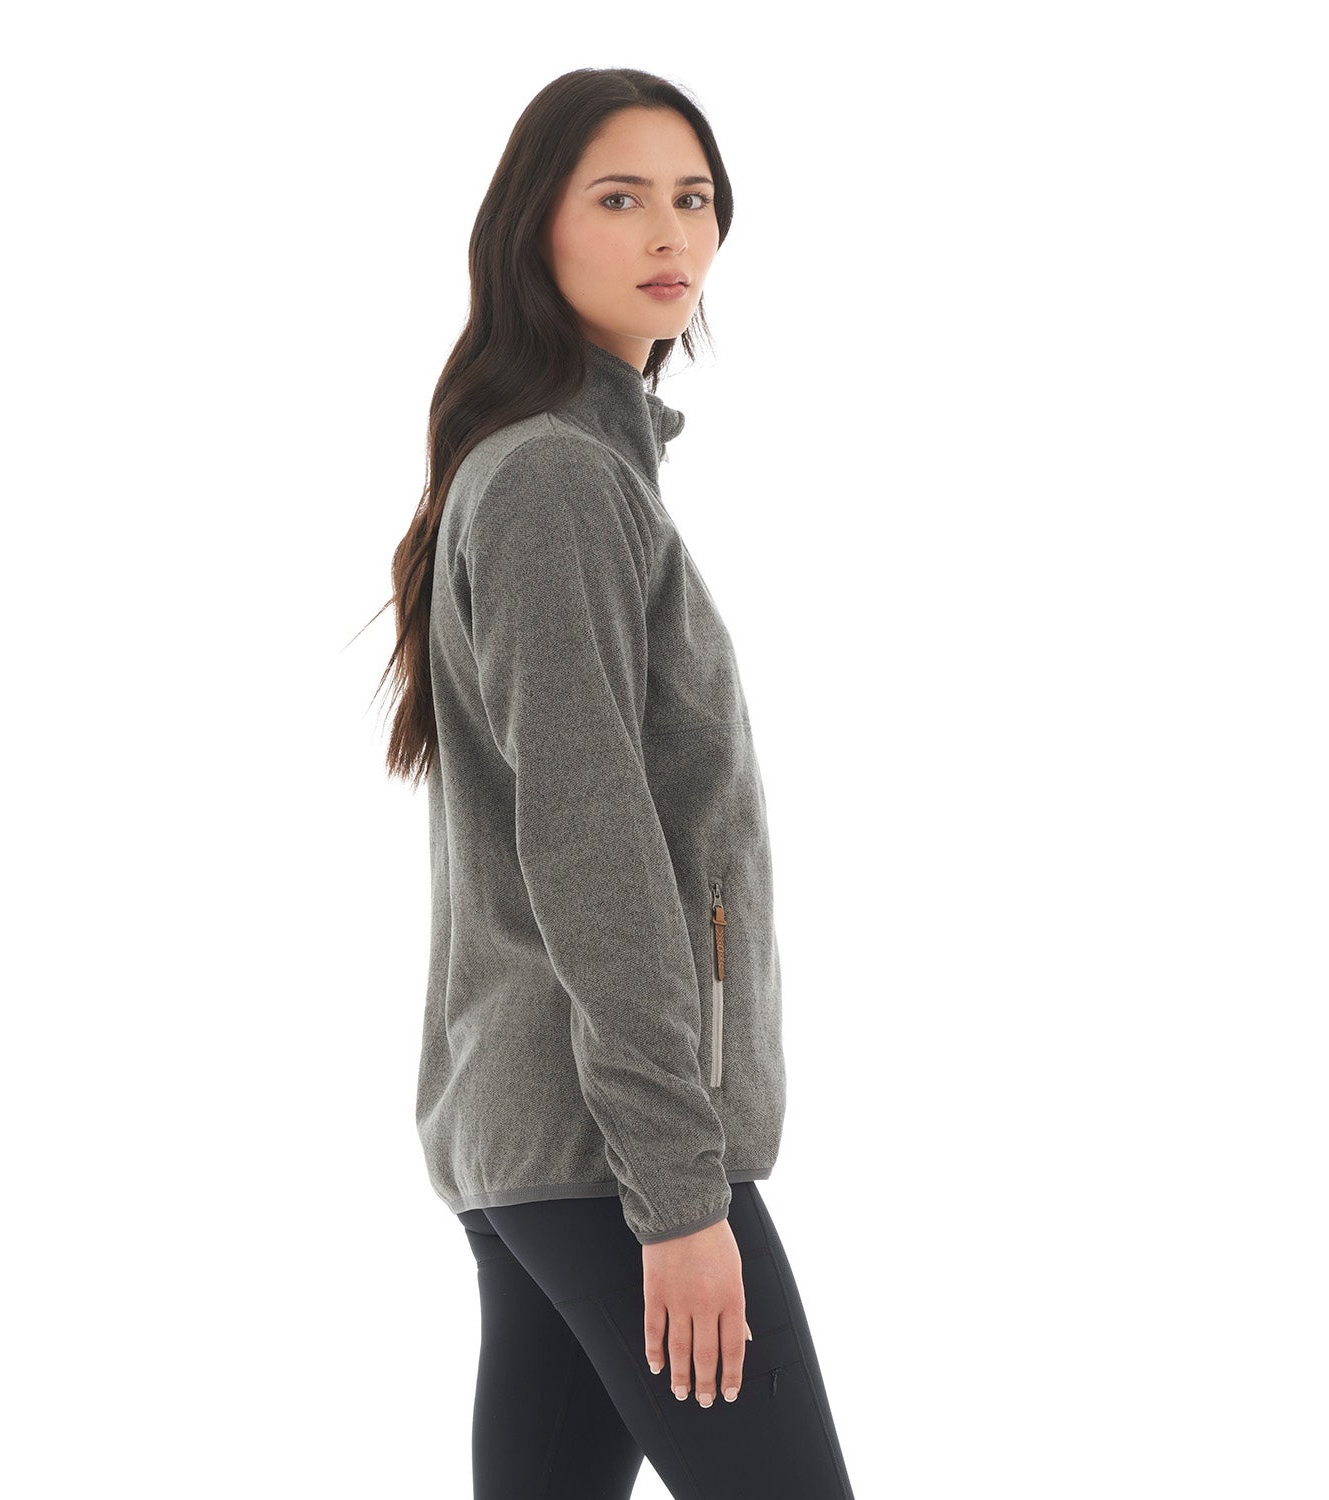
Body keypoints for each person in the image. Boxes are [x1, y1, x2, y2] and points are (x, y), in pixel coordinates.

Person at [372, 67, 857, 1499]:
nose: (670, 233)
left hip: (547, 1145)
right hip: (611, 1156)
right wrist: (680, 1195)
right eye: (621, 196)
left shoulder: (562, 472)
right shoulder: (555, 483)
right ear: (535, 228)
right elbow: (593, 850)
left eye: (694, 199)